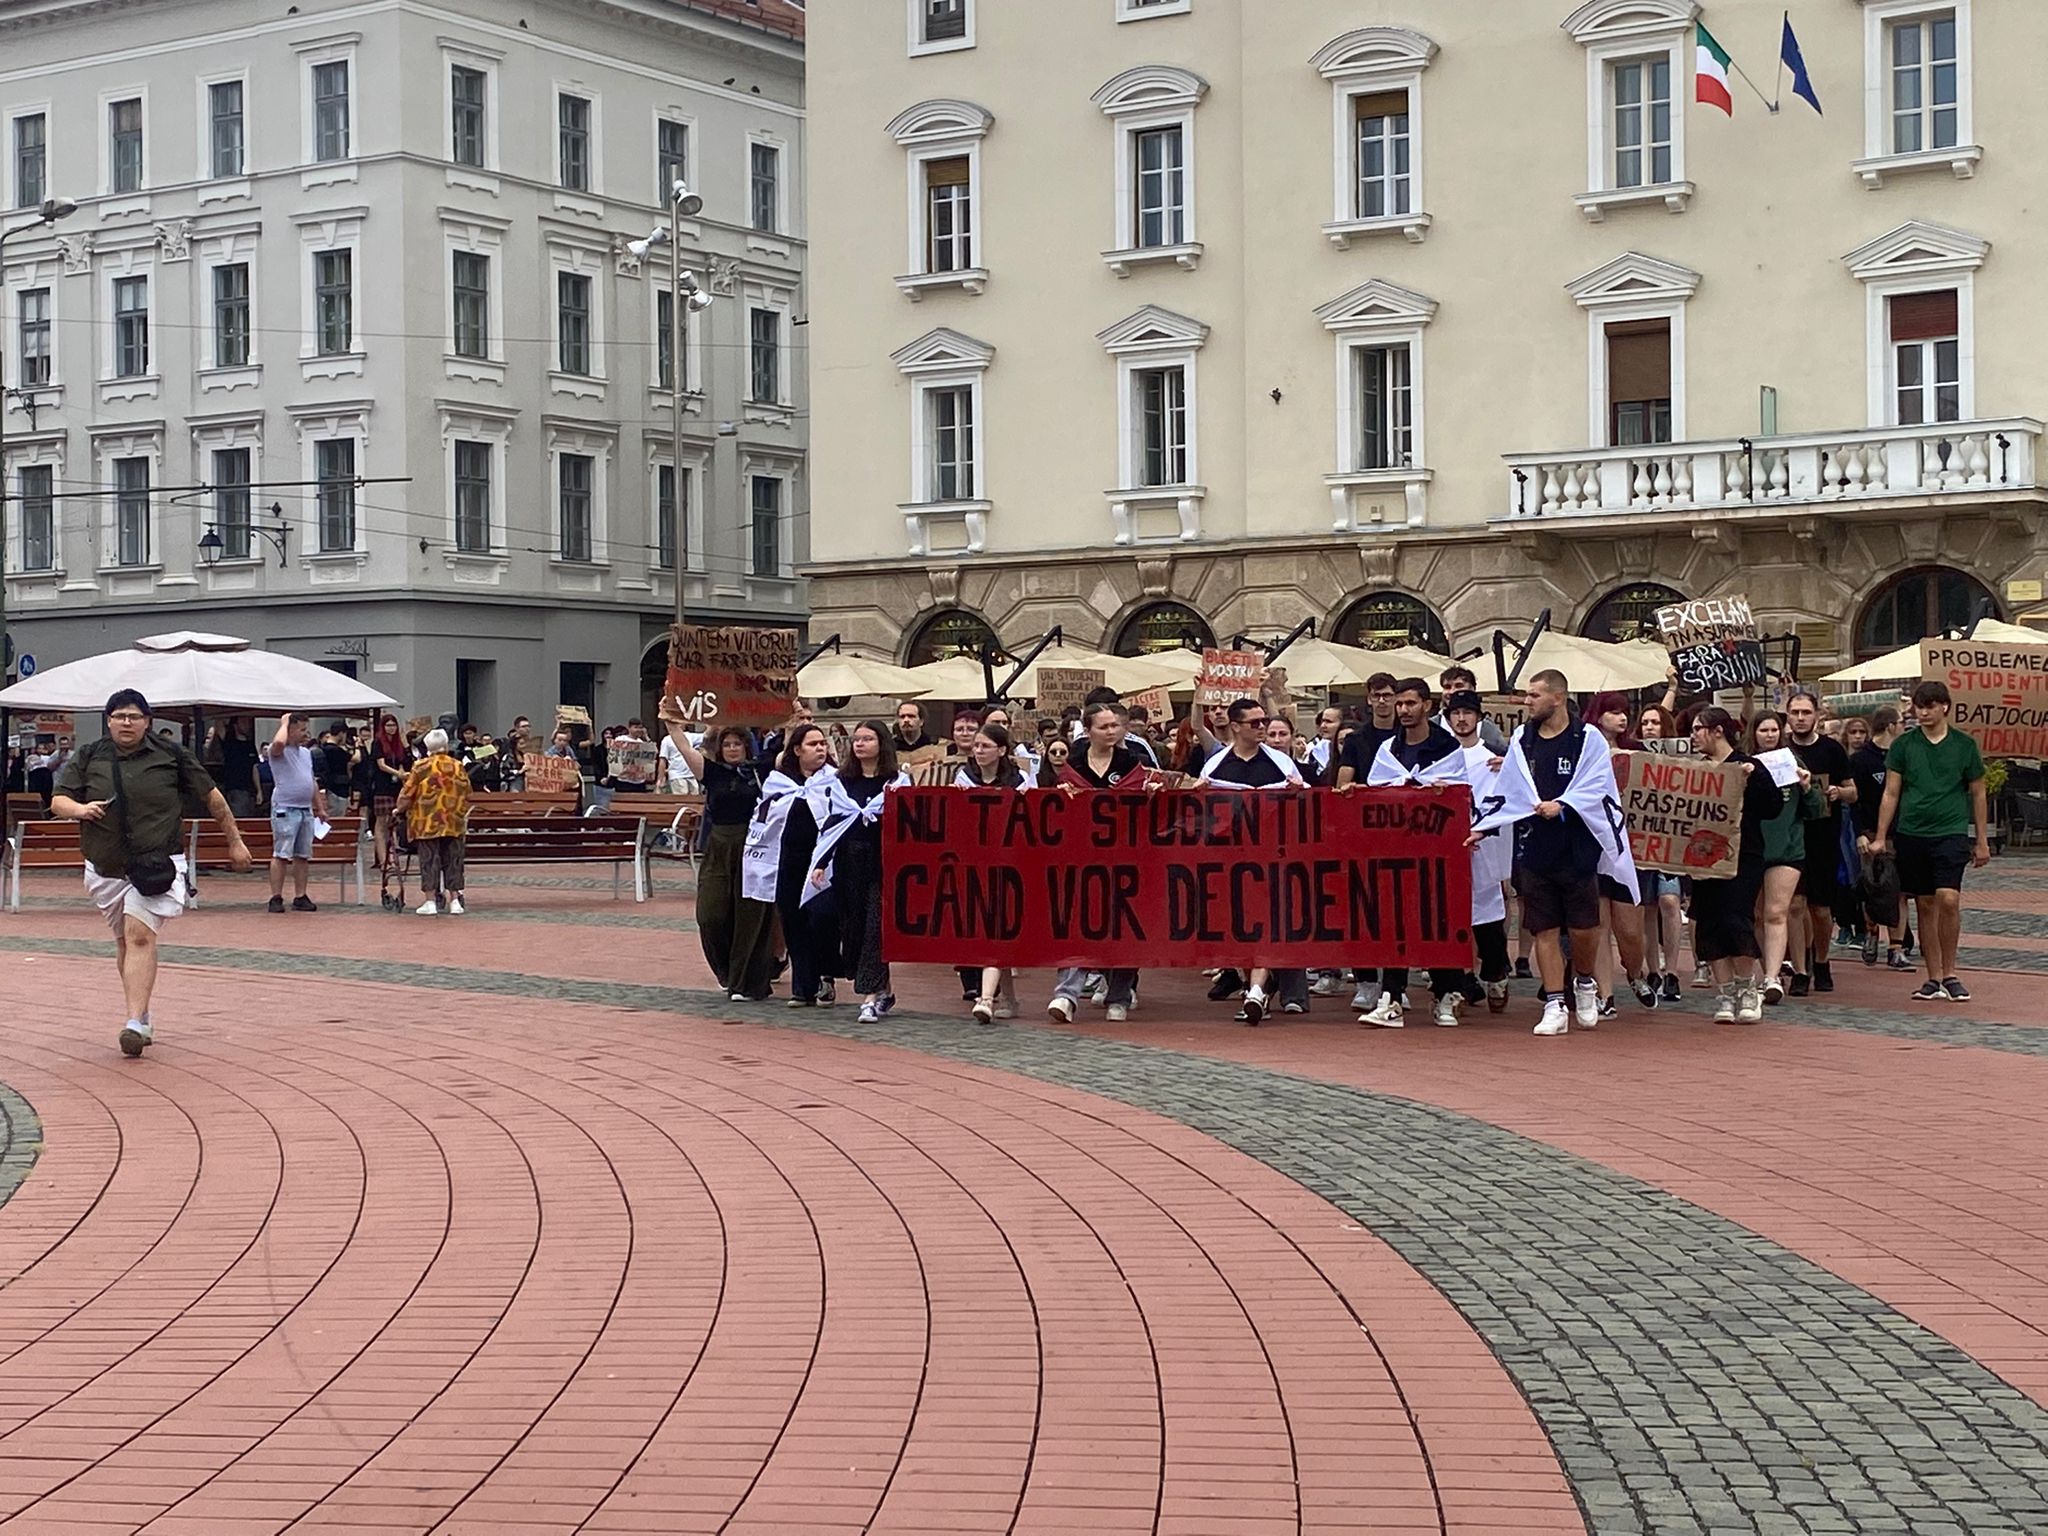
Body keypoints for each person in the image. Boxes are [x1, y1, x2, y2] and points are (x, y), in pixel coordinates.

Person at [50, 689, 252, 1056]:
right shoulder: (91, 755)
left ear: (148, 721)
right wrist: (80, 810)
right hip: (107, 867)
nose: (126, 723)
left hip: (159, 864)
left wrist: (235, 842)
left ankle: (132, 1023)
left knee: (139, 934)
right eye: (119, 716)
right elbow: (58, 800)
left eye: (134, 716)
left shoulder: (171, 755)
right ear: (108, 721)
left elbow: (213, 797)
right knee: (125, 942)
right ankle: (142, 1013)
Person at [1472, 669, 1640, 1037]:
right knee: (1543, 928)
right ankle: (1554, 1003)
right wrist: (1483, 826)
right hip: (1534, 846)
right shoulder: (1523, 737)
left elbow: (1599, 785)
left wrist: (1564, 803)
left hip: (1576, 847)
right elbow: (1510, 787)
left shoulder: (1587, 738)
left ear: (1557, 698)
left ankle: (1584, 980)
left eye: (1534, 695)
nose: (1527, 701)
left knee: (1583, 930)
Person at [1357, 678, 1472, 1027]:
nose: (1404, 710)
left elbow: (1461, 791)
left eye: (1410, 703)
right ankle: (1391, 996)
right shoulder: (1389, 749)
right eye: (1400, 704)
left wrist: (1436, 791)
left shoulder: (1447, 747)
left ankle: (1446, 993)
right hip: (1397, 851)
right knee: (1397, 921)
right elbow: (1377, 789)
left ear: (1427, 705)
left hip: (1437, 852)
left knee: (1437, 920)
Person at [1868, 680, 1990, 1004]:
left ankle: (1951, 972)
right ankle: (1934, 976)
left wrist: (1981, 840)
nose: (1923, 713)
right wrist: (1881, 835)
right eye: (1919, 707)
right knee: (1924, 903)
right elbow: (1891, 792)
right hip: (1912, 832)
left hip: (1950, 831)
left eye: (1929, 706)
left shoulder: (1964, 745)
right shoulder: (1904, 746)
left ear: (1944, 707)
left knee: (1948, 899)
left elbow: (1978, 792)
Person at [1198, 697, 1307, 1024]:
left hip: (1274, 859)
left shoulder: (1281, 762)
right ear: (1235, 727)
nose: (1262, 728)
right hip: (1231, 861)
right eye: (1255, 723)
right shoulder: (1215, 766)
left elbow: (1306, 805)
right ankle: (1254, 986)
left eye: (1264, 721)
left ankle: (1257, 990)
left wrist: (1298, 793)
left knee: (1268, 922)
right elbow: (1204, 815)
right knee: (1240, 926)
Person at [1046, 702, 1149, 1025]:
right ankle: (1066, 995)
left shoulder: (1132, 763)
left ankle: (1119, 994)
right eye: (1103, 727)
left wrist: (1152, 794)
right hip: (1081, 861)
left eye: (1115, 726)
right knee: (1078, 924)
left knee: (1124, 927)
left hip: (1125, 859)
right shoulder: (1072, 765)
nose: (1111, 732)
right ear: (1088, 730)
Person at [663, 722, 772, 999]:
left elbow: (785, 753)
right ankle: (726, 971)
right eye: (727, 744)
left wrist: (793, 720)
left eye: (737, 744)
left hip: (752, 846)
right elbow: (684, 747)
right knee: (710, 915)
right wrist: (671, 722)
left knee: (749, 915)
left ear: (746, 746)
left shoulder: (758, 770)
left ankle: (744, 982)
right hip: (719, 845)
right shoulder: (711, 772)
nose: (732, 749)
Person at [1689, 707, 1785, 1023]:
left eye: (1698, 729)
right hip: (1703, 857)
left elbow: (1773, 808)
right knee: (1710, 922)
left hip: (1743, 856)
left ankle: (1747, 988)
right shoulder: (1695, 769)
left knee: (1736, 918)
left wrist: (1751, 781)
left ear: (1718, 731)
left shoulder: (1748, 765)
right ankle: (1725, 993)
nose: (1693, 735)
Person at [808, 720, 904, 1024]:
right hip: (850, 862)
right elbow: (834, 824)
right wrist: (821, 862)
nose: (860, 744)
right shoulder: (843, 782)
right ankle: (885, 990)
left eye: (868, 739)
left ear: (881, 743)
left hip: (884, 864)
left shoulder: (897, 782)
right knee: (855, 927)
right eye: (857, 739)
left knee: (875, 927)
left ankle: (869, 998)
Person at [747, 724, 838, 1008]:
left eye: (823, 743)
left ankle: (825, 976)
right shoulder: (779, 781)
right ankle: (803, 987)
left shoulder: (834, 779)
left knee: (820, 919)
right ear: (797, 750)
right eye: (813, 744)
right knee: (793, 920)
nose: (820, 748)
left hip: (822, 863)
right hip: (787, 860)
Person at [1781, 690, 1855, 994]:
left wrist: (1838, 792)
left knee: (1821, 909)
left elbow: (1853, 792)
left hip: (1823, 836)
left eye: (1806, 712)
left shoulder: (1832, 750)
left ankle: (1822, 960)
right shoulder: (1781, 751)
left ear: (1817, 715)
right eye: (1795, 712)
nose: (1800, 718)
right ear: (1787, 715)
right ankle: (1800, 970)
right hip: (1790, 838)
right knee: (1795, 905)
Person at [1445, 690, 1514, 1015]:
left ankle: (1496, 972)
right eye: (1455, 713)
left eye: (1467, 713)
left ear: (1479, 717)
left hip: (1484, 847)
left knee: (1486, 916)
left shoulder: (1493, 759)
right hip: (1449, 849)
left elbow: (1508, 800)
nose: (1461, 719)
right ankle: (1458, 983)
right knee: (1452, 917)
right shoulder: (1441, 758)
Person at [955, 722, 1026, 1023]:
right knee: (992, 929)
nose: (978, 751)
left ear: (1002, 750)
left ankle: (987, 998)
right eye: (976, 746)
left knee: (996, 928)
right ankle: (1007, 997)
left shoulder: (1021, 780)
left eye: (985, 746)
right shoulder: (963, 778)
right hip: (975, 863)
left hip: (1010, 863)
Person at [1748, 711, 1818, 1005]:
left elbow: (1815, 809)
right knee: (1756, 915)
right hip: (1754, 848)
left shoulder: (1793, 763)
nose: (1769, 735)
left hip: (1787, 849)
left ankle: (1772, 977)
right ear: (1754, 733)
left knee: (1776, 912)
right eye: (1763, 730)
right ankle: (1765, 969)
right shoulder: (1745, 763)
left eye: (1774, 730)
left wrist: (1807, 788)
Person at [1849, 706, 1912, 970]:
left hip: (1902, 832)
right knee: (1874, 888)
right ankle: (1871, 931)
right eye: (1901, 722)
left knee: (1900, 891)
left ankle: (1896, 947)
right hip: (1872, 832)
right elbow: (1854, 802)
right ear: (1890, 726)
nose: (1904, 727)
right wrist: (1860, 833)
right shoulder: (1861, 760)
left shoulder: (1905, 756)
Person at [1633, 705, 1687, 1000]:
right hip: (1642, 841)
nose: (1650, 727)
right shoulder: (1633, 754)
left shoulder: (1681, 758)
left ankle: (1673, 971)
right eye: (1645, 722)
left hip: (1671, 841)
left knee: (1669, 900)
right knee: (1648, 906)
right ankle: (1653, 969)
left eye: (1655, 722)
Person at [394, 729, 472, 915]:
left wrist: (399, 809)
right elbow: (467, 791)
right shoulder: (457, 766)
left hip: (427, 821)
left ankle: (430, 901)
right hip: (453, 820)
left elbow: (407, 794)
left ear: (428, 747)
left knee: (429, 859)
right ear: (445, 746)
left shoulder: (421, 766)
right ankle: (455, 901)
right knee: (453, 860)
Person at [263, 713, 321, 914]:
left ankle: (300, 895)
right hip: (285, 808)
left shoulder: (305, 753)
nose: (306, 734)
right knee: (281, 853)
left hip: (305, 808)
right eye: (302, 729)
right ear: (290, 730)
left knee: (302, 854)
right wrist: (284, 722)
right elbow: (279, 742)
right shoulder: (277, 750)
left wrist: (319, 807)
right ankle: (276, 896)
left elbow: (311, 780)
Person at [368, 714, 411, 864]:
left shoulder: (398, 744)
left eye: (393, 725)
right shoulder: (378, 742)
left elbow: (407, 761)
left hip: (396, 787)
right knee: (381, 822)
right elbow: (381, 765)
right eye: (388, 725)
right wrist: (398, 773)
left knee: (392, 821)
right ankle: (383, 859)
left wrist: (406, 745)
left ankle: (391, 855)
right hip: (382, 786)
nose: (391, 728)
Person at [1438, 665, 1509, 753]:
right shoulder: (1433, 724)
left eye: (1459, 686)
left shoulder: (1486, 728)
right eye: (1447, 687)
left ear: (1472, 689)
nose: (1452, 691)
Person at [215, 718, 260, 818]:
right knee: (240, 817)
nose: (247, 725)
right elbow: (218, 724)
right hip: (235, 788)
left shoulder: (250, 745)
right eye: (243, 722)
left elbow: (254, 768)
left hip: (250, 790)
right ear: (235, 725)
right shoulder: (229, 742)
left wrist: (259, 790)